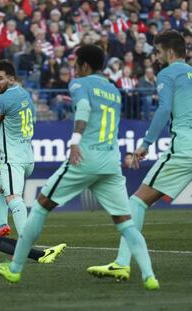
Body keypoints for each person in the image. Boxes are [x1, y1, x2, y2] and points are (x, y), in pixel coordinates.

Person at [0, 45, 159, 290]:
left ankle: (14, 269)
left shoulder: (80, 84)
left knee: (40, 207)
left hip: (84, 158)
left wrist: (75, 141)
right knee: (126, 223)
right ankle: (149, 276)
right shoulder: (114, 90)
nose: (74, 69)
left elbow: (85, 110)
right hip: (110, 161)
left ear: (85, 66)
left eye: (76, 64)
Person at [88, 30, 192, 283]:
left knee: (137, 201)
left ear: (169, 52)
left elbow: (164, 108)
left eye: (157, 52)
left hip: (185, 146)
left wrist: (146, 144)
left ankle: (122, 263)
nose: (155, 57)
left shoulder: (168, 73)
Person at [0, 60, 36, 237]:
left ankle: (26, 242)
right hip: (28, 157)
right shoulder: (25, 94)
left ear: (12, 79)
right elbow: (34, 119)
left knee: (13, 198)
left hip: (12, 160)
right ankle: (2, 226)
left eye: (0, 78)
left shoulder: (2, 99)